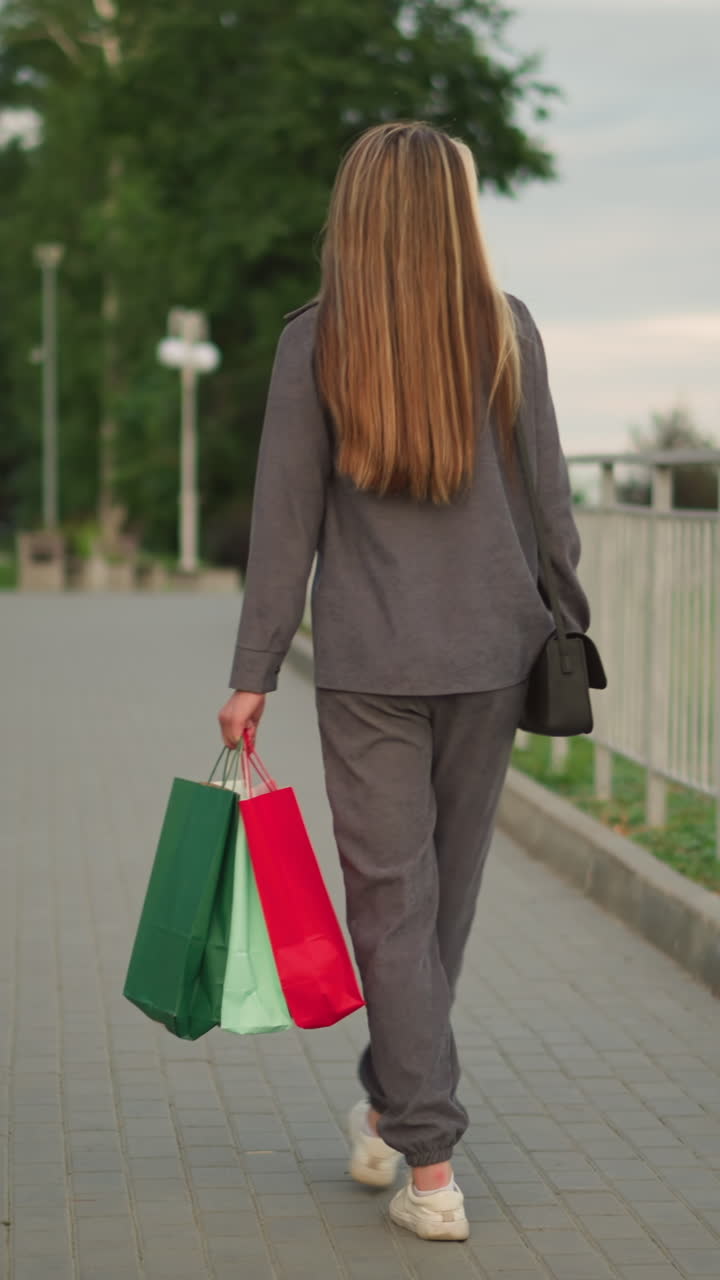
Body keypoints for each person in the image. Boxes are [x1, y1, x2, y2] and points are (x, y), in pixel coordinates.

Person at [218, 121, 589, 1243]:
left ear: (361, 211)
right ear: (450, 211)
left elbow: (284, 524)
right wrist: (567, 624)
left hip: (372, 664)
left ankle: (418, 1150)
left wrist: (252, 673)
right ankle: (407, 1132)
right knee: (435, 910)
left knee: (397, 909)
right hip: (492, 655)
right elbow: (553, 505)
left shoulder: (315, 340)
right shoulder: (506, 329)